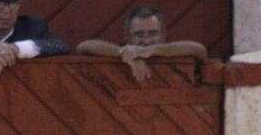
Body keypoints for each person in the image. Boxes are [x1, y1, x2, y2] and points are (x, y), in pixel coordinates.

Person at [76, 6, 208, 82]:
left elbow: (198, 49)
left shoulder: (171, 50)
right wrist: (123, 53)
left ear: (163, 35)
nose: (146, 40)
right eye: (139, 35)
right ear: (128, 37)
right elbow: (84, 46)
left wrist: (151, 51)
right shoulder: (125, 50)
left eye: (153, 33)